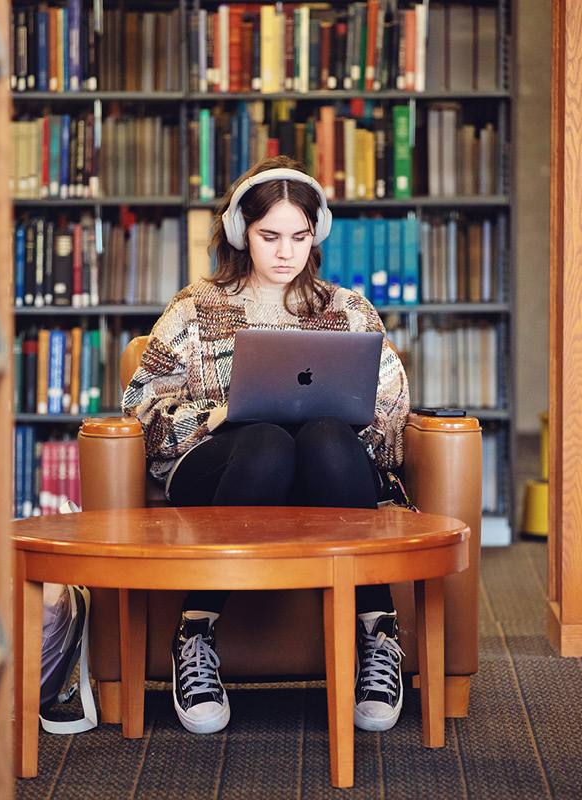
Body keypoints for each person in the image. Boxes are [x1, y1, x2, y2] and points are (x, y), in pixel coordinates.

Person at [121, 155, 411, 735]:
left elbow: (393, 416)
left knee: (324, 437)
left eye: (299, 237)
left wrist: (347, 419)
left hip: (325, 470)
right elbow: (142, 414)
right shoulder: (194, 309)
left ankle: (379, 634)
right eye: (269, 236)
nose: (285, 253)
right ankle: (195, 633)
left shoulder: (348, 311)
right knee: (267, 442)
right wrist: (219, 413)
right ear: (239, 234)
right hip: (223, 465)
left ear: (316, 236)